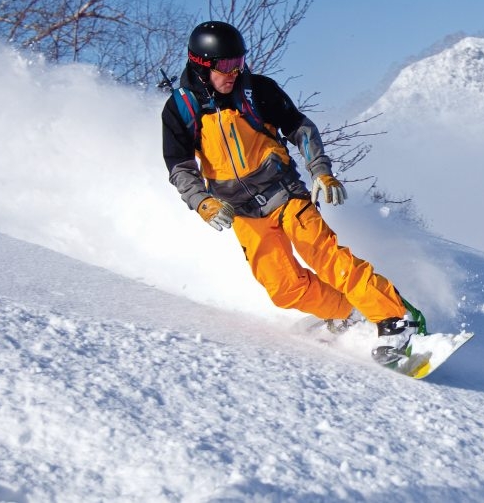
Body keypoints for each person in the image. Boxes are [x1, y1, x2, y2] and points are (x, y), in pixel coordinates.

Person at [161, 20, 423, 364]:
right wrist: (202, 202)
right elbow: (179, 166)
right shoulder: (181, 110)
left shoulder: (258, 90)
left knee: (325, 256)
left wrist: (321, 172)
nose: (234, 73)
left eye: (239, 63)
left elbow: (300, 128)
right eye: (225, 66)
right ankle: (348, 311)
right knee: (284, 289)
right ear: (201, 65)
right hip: (241, 211)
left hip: (284, 193)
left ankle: (395, 319)